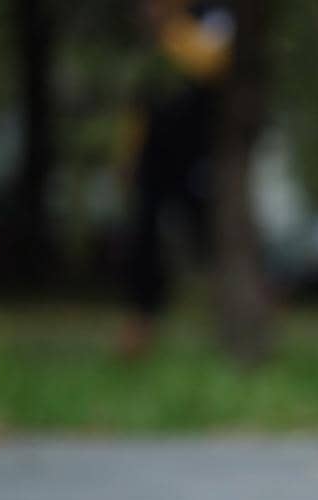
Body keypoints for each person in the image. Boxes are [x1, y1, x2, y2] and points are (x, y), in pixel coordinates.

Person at [118, 0, 234, 358]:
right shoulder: (155, 34)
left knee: (211, 241)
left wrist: (167, 27)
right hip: (154, 155)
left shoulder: (212, 13)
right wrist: (127, 152)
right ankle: (140, 329)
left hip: (197, 153)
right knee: (143, 242)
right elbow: (140, 99)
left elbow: (211, 62)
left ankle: (237, 320)